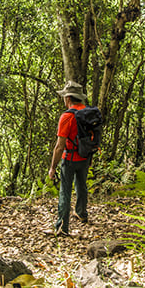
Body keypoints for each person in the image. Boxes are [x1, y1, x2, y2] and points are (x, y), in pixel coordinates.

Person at [47, 81, 90, 236]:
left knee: (65, 191)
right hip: (85, 156)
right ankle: (81, 213)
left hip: (70, 157)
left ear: (69, 98)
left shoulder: (67, 116)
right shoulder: (88, 113)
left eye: (64, 96)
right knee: (81, 185)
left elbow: (59, 146)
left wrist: (52, 167)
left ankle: (62, 227)